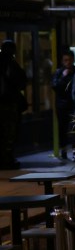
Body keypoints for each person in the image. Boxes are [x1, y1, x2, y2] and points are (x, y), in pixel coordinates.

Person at [0, 39, 27, 169]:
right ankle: (7, 159)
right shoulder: (10, 63)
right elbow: (21, 81)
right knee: (9, 133)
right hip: (8, 103)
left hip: (7, 102)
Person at [51, 52, 75, 161]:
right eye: (66, 60)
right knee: (63, 128)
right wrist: (63, 76)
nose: (68, 62)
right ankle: (64, 149)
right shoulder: (59, 72)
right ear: (62, 61)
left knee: (74, 127)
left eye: (70, 60)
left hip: (73, 104)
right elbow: (55, 86)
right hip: (61, 105)